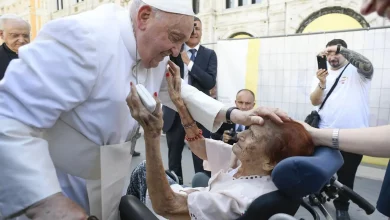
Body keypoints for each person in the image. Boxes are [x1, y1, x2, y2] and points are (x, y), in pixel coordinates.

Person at [0, 1, 285, 219]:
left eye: (181, 42)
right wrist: (45, 201)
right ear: (144, 16)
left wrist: (232, 114)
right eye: (174, 38)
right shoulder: (84, 37)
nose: (176, 52)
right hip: (60, 185)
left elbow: (174, 87)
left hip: (109, 181)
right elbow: (8, 116)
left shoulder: (152, 46)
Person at [126, 61, 315, 220]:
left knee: (139, 174)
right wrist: (180, 105)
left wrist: (152, 135)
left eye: (252, 136)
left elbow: (166, 205)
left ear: (270, 161)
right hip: (193, 197)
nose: (240, 135)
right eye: (248, 130)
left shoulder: (237, 199)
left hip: (172, 207)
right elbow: (198, 146)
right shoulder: (252, 166)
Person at [310, 39, 373, 220]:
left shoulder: (358, 72)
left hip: (353, 136)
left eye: (336, 53)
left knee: (347, 176)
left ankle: (342, 207)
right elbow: (315, 101)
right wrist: (321, 83)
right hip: (325, 134)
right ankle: (317, 194)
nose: (332, 57)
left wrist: (340, 49)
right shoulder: (320, 74)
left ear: (345, 52)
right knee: (322, 170)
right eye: (328, 53)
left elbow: (367, 66)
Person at [162, 16, 217, 184]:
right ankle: (175, 192)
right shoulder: (173, 52)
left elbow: (209, 82)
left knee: (201, 159)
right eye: (191, 28)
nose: (194, 32)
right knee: (174, 158)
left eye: (197, 28)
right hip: (174, 113)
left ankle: (200, 192)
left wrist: (189, 63)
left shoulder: (209, 54)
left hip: (199, 115)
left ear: (202, 32)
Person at [0, 14, 30, 80]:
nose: (21, 40)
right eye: (15, 35)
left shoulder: (38, 56)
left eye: (25, 36)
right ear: (2, 34)